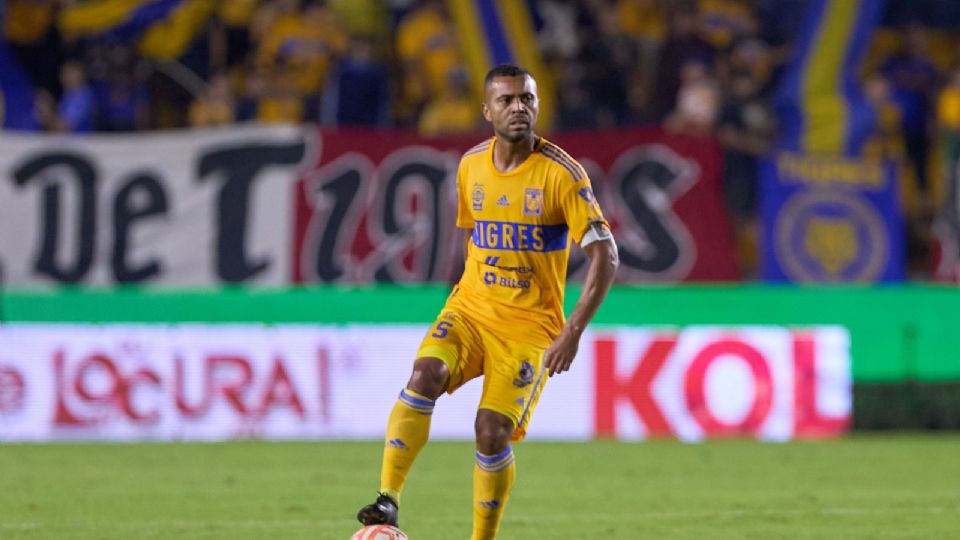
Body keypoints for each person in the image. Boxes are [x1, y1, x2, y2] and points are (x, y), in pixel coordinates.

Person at [356, 64, 619, 539]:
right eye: (507, 100)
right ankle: (388, 499)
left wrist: (572, 330)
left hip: (529, 327)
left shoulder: (562, 175)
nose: (519, 107)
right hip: (471, 309)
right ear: (487, 110)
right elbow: (472, 238)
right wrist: (452, 299)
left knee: (491, 429)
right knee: (424, 375)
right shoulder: (470, 166)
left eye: (527, 99)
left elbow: (607, 255)